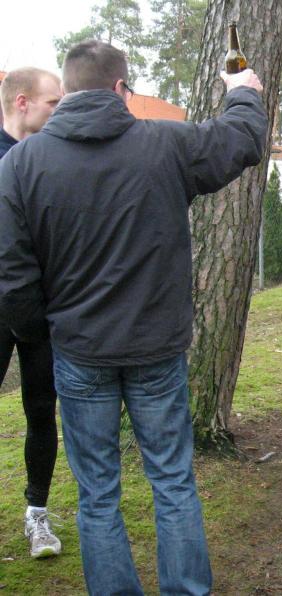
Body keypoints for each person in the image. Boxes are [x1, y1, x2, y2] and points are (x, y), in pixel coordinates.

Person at [0, 40, 266, 594]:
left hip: (80, 352)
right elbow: (240, 139)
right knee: (172, 482)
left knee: (98, 495)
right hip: (155, 351)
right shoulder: (165, 144)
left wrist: (44, 333)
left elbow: (13, 275)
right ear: (121, 88)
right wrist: (242, 92)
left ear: (66, 90)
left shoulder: (20, 164)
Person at [0, 67, 63, 559]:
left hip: (43, 312)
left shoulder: (53, 157)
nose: (60, 111)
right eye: (52, 103)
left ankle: (37, 514)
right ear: (22, 102)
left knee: (41, 410)